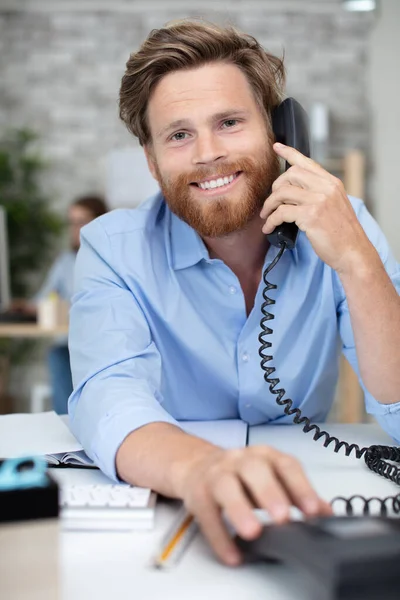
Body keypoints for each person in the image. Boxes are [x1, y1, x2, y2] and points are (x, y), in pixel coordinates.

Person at [68, 20, 400, 565]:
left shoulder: (345, 226)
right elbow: (108, 395)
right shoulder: (113, 247)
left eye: (228, 122)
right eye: (179, 134)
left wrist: (357, 261)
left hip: (312, 501)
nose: (207, 153)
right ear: (152, 162)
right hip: (173, 507)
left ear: (280, 134)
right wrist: (201, 468)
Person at [12, 195, 108, 414]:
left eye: (81, 221)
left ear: (99, 221)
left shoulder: (110, 258)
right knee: (57, 354)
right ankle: (67, 420)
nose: (74, 229)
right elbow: (45, 299)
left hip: (100, 342)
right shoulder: (65, 261)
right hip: (69, 342)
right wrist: (25, 307)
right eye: (71, 222)